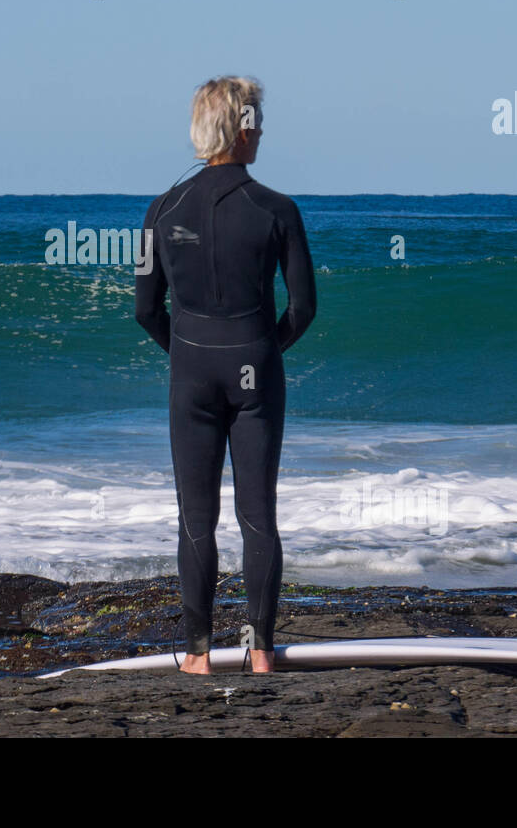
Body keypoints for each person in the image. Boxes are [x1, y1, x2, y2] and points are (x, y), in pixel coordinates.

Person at [135, 76, 316, 674]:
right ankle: (262, 652)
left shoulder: (157, 211)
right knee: (258, 515)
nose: (262, 130)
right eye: (257, 120)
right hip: (256, 372)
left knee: (196, 517)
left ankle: (196, 654)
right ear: (241, 128)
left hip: (190, 373)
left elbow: (144, 309)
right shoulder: (279, 209)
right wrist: (264, 351)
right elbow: (304, 308)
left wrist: (187, 356)